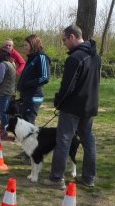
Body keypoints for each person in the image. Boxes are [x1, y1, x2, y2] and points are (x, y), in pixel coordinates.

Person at [43, 24, 101, 189]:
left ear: (72, 37)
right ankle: (89, 178)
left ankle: (56, 179)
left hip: (72, 108)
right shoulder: (96, 56)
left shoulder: (75, 58)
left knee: (63, 141)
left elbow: (68, 86)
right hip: (89, 107)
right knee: (88, 141)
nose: (64, 43)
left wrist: (58, 101)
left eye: (64, 40)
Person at [0, 38, 26, 123]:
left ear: (13, 47)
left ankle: (9, 120)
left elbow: (23, 63)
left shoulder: (15, 53)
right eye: (6, 45)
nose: (8, 47)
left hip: (9, 83)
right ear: (3, 46)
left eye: (10, 45)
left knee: (9, 102)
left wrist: (17, 72)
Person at [17, 34, 51, 125]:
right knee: (24, 120)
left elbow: (45, 77)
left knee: (28, 121)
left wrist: (28, 84)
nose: (24, 48)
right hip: (27, 95)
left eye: (26, 45)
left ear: (33, 45)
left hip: (35, 95)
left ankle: (31, 139)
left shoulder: (41, 57)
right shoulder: (31, 58)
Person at [0, 49, 16, 141]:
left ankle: (4, 132)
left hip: (3, 92)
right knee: (6, 112)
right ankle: (5, 130)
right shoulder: (12, 64)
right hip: (10, 91)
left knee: (2, 112)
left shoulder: (3, 64)